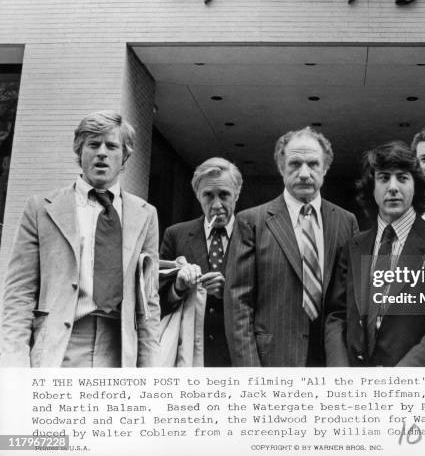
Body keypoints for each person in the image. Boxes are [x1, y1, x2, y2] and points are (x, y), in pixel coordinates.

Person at [0, 111, 160, 367]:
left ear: (125, 157)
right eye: (93, 145)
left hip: (119, 350)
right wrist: (14, 366)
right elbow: (19, 293)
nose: (102, 153)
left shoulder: (145, 215)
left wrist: (149, 369)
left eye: (111, 146)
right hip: (59, 347)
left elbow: (148, 301)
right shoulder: (41, 209)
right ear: (80, 152)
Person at [325, 140, 425, 366]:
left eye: (402, 178)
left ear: (417, 186)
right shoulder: (353, 246)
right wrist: (340, 372)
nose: (392, 187)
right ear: (372, 187)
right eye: (383, 178)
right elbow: (336, 315)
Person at [224, 127, 359, 366]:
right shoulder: (252, 222)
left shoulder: (346, 222)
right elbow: (238, 304)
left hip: (333, 362)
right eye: (295, 164)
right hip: (273, 360)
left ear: (325, 168)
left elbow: (353, 300)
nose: (304, 173)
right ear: (281, 167)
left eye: (313, 164)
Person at [159, 157, 242, 366]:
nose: (216, 205)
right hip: (188, 355)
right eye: (208, 195)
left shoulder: (254, 234)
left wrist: (228, 292)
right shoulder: (175, 234)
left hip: (236, 356)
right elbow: (155, 301)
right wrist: (177, 288)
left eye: (224, 195)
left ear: (237, 194)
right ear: (198, 196)